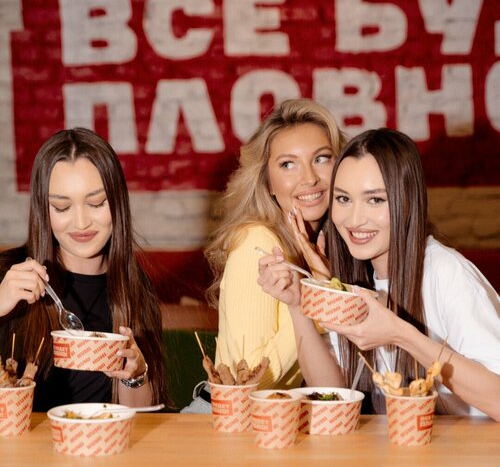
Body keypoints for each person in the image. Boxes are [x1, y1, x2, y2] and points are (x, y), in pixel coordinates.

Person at [258, 128, 500, 420]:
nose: (355, 219)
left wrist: (401, 334)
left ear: (406, 200)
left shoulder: (444, 272)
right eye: (343, 199)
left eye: (375, 200)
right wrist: (297, 305)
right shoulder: (355, 278)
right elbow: (332, 392)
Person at [0, 128, 166, 411]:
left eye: (96, 203)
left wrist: (135, 374)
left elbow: (140, 418)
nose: (81, 222)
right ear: (43, 210)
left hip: (103, 438)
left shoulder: (134, 286)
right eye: (62, 207)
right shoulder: (9, 275)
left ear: (118, 202)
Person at [205, 98, 345, 391]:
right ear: (268, 182)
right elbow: (250, 380)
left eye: (321, 158)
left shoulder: (336, 246)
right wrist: (318, 296)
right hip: (234, 413)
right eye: (288, 164)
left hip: (291, 413)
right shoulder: (257, 241)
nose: (309, 178)